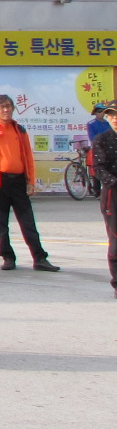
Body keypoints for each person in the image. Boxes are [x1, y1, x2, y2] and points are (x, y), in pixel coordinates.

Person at [0, 94, 58, 272]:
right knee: (1, 223)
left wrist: (30, 180)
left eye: (8, 106)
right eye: (1, 107)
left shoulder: (19, 130)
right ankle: (7, 257)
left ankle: (39, 258)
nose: (6, 110)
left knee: (28, 222)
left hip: (19, 182)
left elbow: (27, 156)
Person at [90, 104, 117, 298]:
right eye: (111, 115)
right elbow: (98, 168)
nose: (114, 118)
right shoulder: (102, 140)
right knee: (116, 239)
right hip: (113, 194)